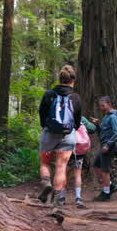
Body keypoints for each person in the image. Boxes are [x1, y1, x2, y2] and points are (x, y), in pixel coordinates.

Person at [37, 65, 83, 207]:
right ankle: (56, 200)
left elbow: (42, 112)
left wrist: (45, 126)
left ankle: (46, 184)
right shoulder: (75, 97)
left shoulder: (49, 94)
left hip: (49, 133)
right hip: (67, 135)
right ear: (73, 80)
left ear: (60, 79)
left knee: (45, 163)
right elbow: (77, 119)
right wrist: (73, 129)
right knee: (61, 167)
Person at [93, 95, 117, 202]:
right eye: (100, 106)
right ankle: (110, 186)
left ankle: (106, 193)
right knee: (96, 165)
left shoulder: (113, 117)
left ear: (109, 104)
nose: (101, 108)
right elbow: (102, 133)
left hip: (108, 146)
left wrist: (108, 145)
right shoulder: (106, 117)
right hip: (104, 145)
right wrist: (97, 125)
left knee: (105, 170)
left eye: (103, 105)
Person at [67, 115, 97, 208]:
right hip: (79, 150)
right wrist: (94, 123)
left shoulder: (63, 116)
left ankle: (61, 197)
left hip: (66, 149)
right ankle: (78, 197)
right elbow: (93, 128)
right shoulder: (81, 118)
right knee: (78, 174)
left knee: (63, 173)